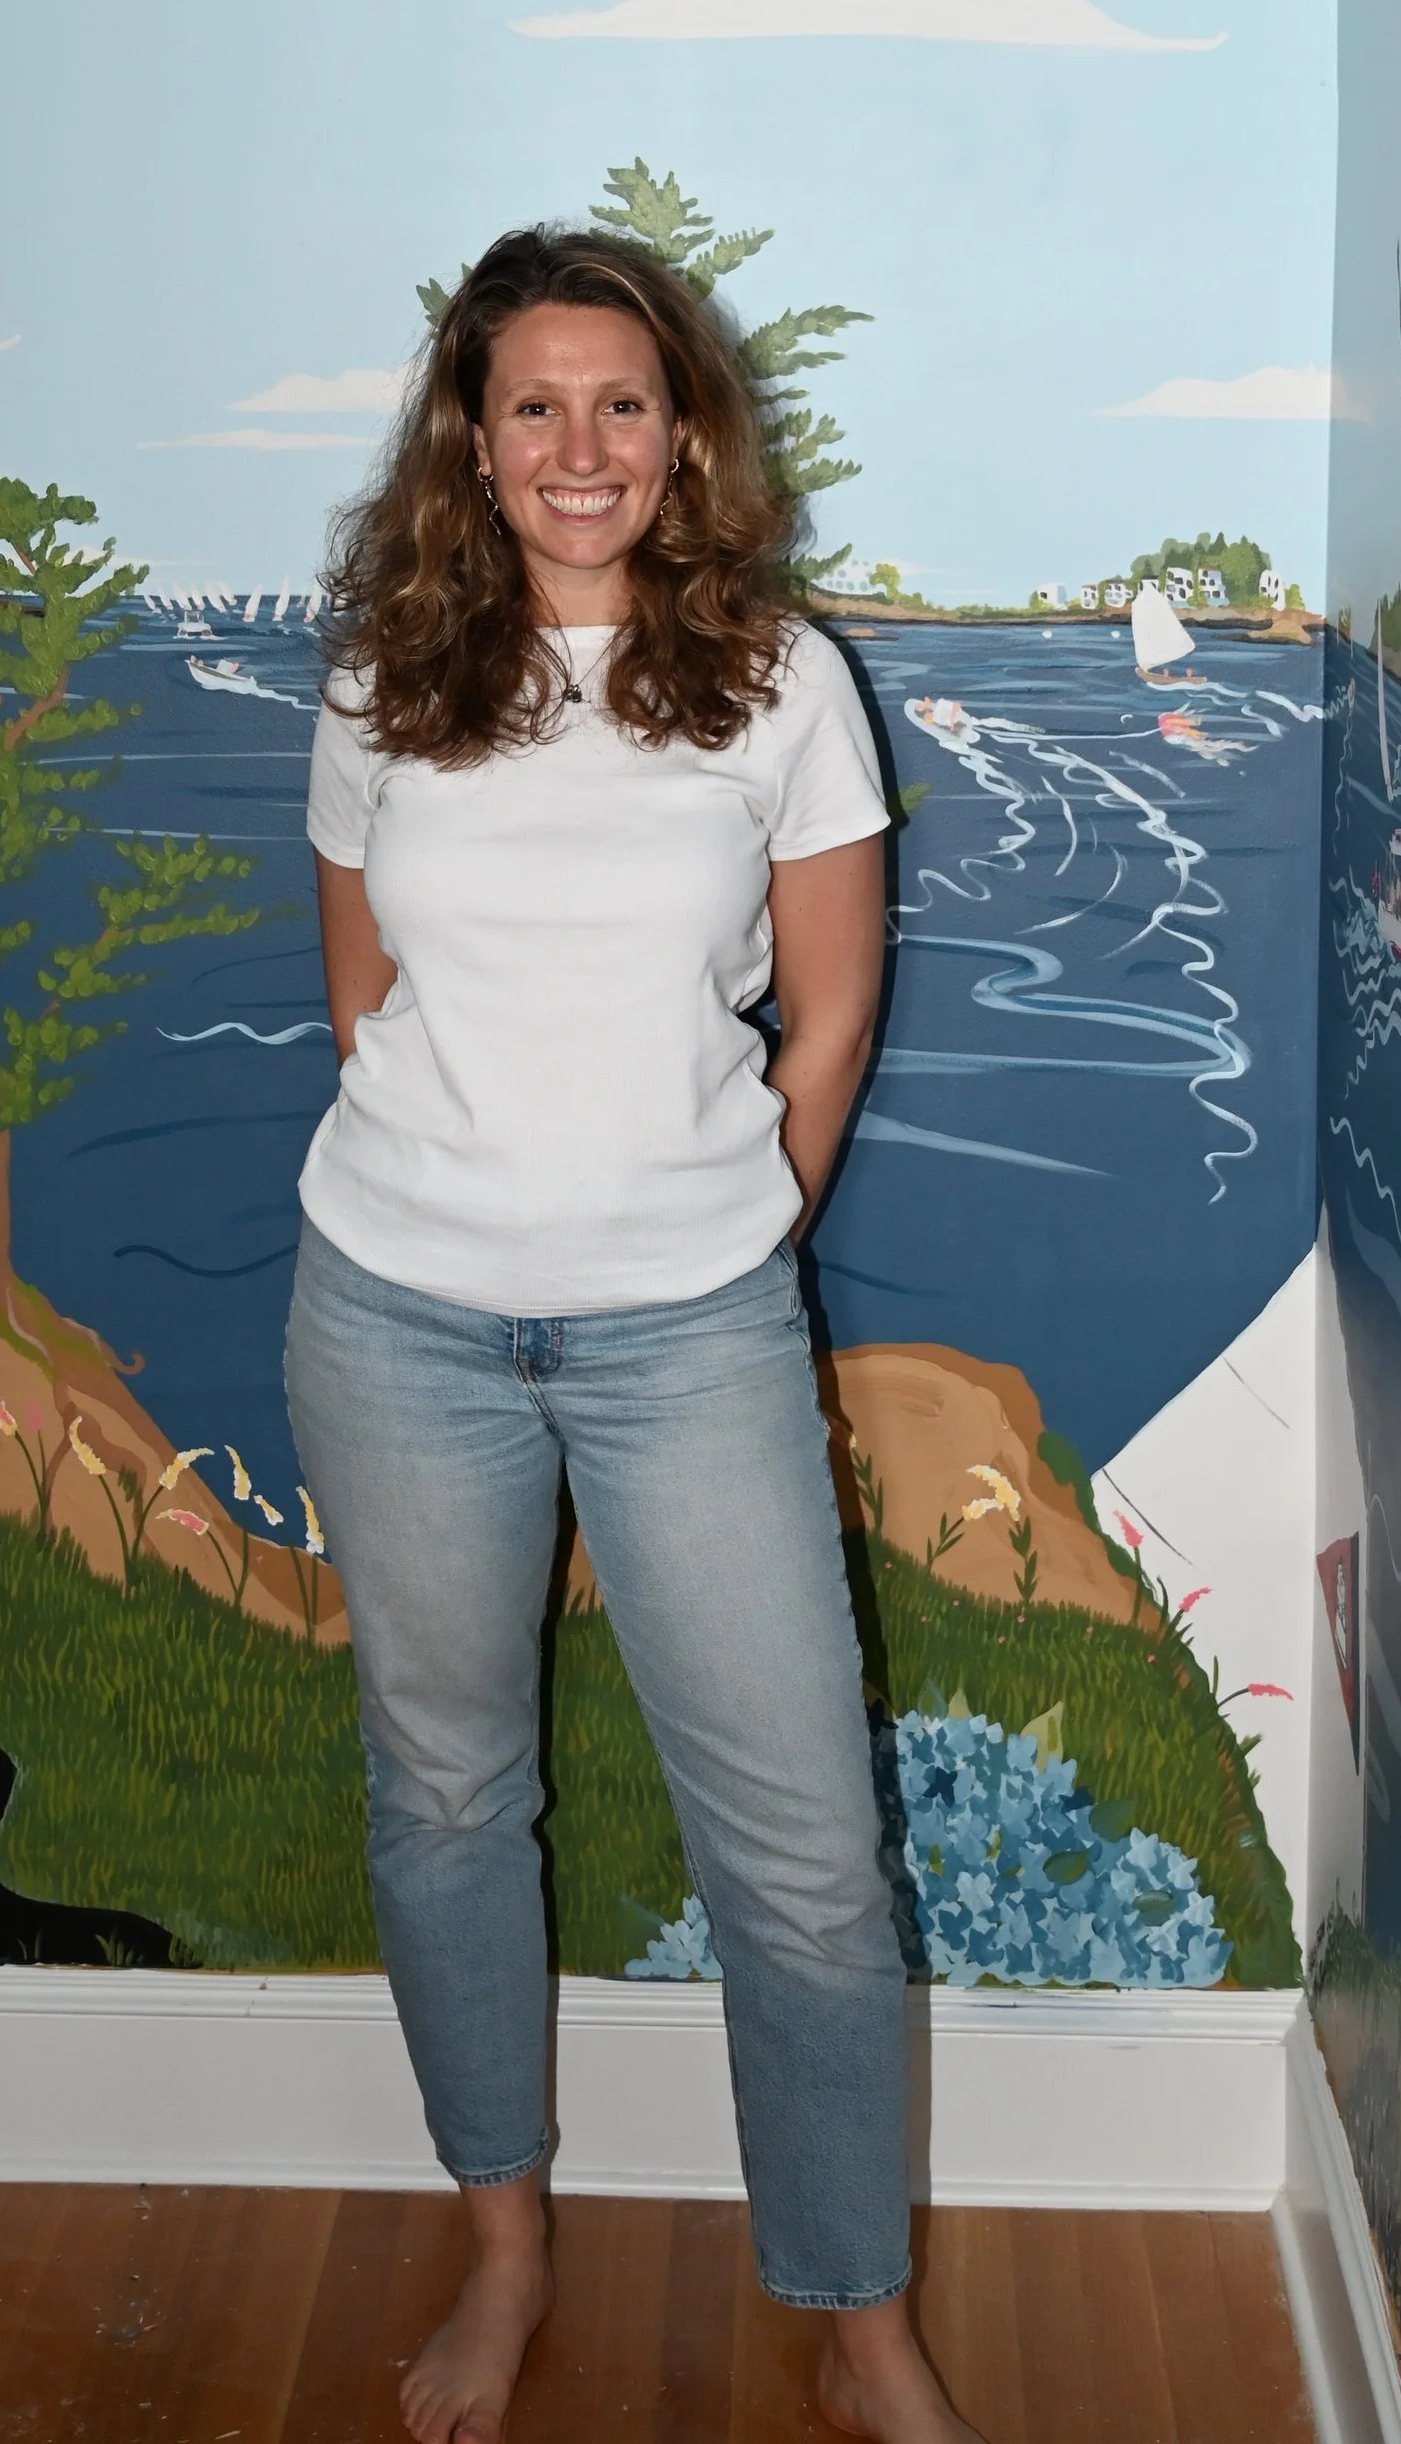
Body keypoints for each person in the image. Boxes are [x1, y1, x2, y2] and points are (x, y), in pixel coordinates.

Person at [286, 225, 984, 2444]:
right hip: (394, 1317)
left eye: (619, 402)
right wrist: (476, 1177)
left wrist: (729, 1210)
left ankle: (857, 2320)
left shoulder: (779, 677)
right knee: (445, 1798)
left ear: (681, 430)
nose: (577, 447)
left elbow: (834, 998)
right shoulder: (382, 670)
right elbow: (358, 989)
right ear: (465, 442)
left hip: (685, 1330)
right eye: (530, 406)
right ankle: (505, 2252)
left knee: (797, 1851)